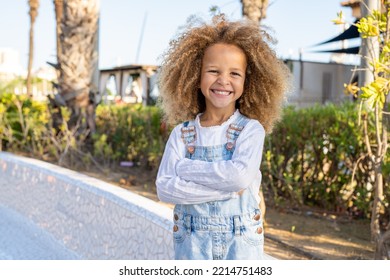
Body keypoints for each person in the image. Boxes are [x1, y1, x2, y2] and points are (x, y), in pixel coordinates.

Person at [155, 14, 290, 260]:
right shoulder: (181, 134)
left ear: (248, 82)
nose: (223, 80)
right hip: (191, 243)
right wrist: (225, 191)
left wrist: (185, 168)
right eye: (213, 70)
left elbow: (238, 177)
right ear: (195, 77)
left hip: (240, 244)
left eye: (235, 74)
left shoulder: (250, 130)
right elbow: (165, 189)